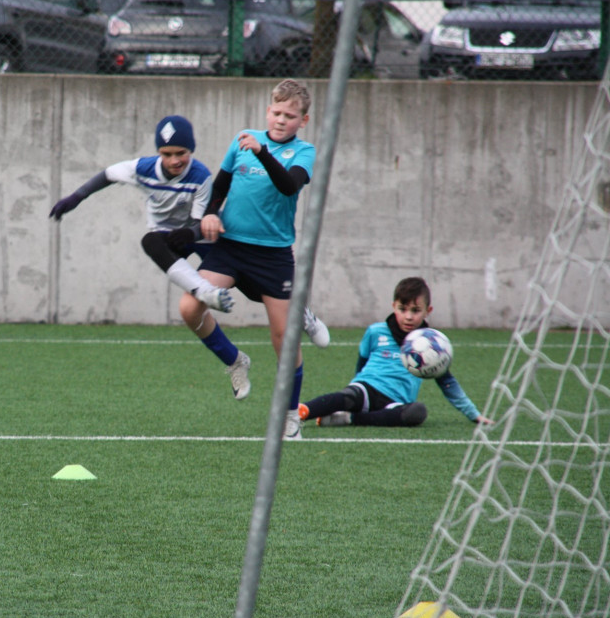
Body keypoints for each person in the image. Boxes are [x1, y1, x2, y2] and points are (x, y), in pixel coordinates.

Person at [49, 114, 331, 348]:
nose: (174, 160)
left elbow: (202, 221)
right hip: (170, 235)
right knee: (151, 241)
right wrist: (75, 198)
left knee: (255, 289)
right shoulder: (143, 168)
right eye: (167, 154)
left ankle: (300, 312)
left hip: (200, 234)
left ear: (191, 151)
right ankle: (204, 292)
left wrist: (195, 230)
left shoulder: (200, 175)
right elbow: (108, 175)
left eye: (181, 153)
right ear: (159, 153)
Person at [176, 79, 319, 440]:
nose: (281, 120)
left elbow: (288, 186)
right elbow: (220, 186)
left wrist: (263, 153)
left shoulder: (304, 152)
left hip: (273, 256)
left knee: (284, 338)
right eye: (277, 112)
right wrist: (211, 212)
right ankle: (234, 359)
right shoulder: (243, 139)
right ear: (268, 111)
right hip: (230, 248)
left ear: (303, 120)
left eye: (290, 116)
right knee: (189, 307)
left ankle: (290, 414)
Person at [297, 276, 496, 427]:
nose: (408, 316)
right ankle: (299, 412)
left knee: (417, 412)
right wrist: (355, 387)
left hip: (397, 402)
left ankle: (350, 419)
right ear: (394, 307)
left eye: (415, 310)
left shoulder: (432, 344)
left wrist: (474, 414)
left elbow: (447, 383)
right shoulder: (376, 331)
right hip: (367, 389)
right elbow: (362, 364)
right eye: (402, 309)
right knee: (348, 396)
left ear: (428, 311)